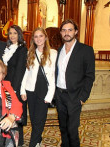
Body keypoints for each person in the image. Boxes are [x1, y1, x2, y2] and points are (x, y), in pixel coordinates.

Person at [55, 19, 95, 147]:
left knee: (72, 129)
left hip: (75, 96)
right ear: (61, 33)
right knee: (63, 127)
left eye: (70, 30)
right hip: (60, 95)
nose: (67, 33)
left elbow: (90, 76)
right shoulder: (59, 50)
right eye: (64, 30)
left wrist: (83, 97)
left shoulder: (86, 50)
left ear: (76, 32)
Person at [20, 27, 57, 147]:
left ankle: (33, 143)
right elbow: (26, 72)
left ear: (45, 37)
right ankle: (38, 140)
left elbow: (52, 75)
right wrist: (22, 89)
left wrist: (50, 94)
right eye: (36, 36)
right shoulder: (30, 52)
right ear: (33, 39)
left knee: (40, 119)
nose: (38, 39)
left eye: (41, 36)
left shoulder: (53, 53)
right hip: (30, 89)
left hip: (44, 89)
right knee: (34, 119)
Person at [2, 25, 27, 146]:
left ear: (19, 35)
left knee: (17, 113)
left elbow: (20, 71)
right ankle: (10, 138)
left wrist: (15, 89)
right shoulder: (9, 47)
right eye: (10, 33)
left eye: (15, 33)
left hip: (15, 85)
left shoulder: (22, 49)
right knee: (9, 112)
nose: (12, 35)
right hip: (7, 83)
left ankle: (19, 141)